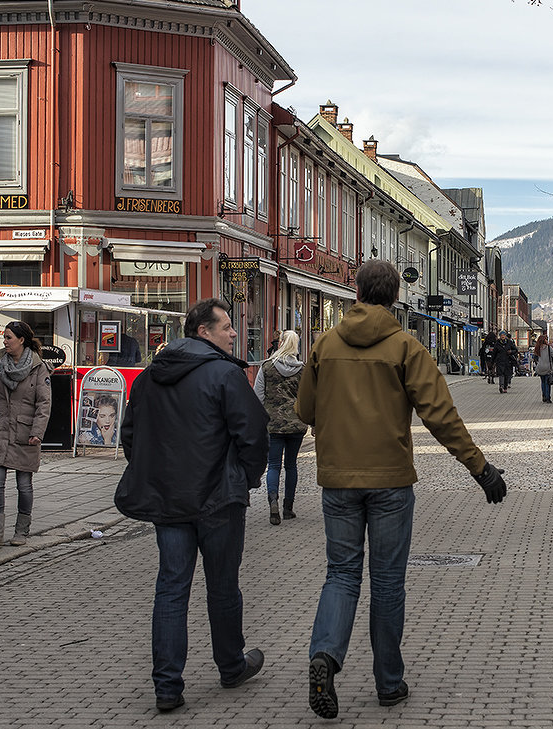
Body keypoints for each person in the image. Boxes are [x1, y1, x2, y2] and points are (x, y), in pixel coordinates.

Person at [295, 260, 506, 720]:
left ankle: (325, 657)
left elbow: (305, 408)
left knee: (341, 575)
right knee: (387, 582)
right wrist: (481, 469)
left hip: (337, 480)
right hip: (390, 480)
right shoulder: (405, 346)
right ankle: (389, 684)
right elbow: (440, 415)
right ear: (394, 297)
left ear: (355, 291)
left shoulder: (325, 344)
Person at [115, 298, 269, 713]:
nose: (234, 333)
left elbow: (131, 436)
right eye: (226, 327)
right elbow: (253, 435)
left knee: (170, 589)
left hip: (169, 501)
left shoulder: (149, 378)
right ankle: (231, 666)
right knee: (222, 587)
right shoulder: (225, 374)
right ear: (204, 332)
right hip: (218, 499)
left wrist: (159, 475)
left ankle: (167, 687)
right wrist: (247, 479)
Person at [0, 320, 51, 548]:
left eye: (9, 337)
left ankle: (21, 531)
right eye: (4, 336)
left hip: (25, 432)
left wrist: (37, 431)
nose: (4, 341)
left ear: (21, 340)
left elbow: (44, 403)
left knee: (24, 484)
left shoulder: (38, 368)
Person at [253, 329, 307, 525]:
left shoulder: (267, 367)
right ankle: (288, 507)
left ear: (280, 342)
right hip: (296, 424)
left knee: (274, 465)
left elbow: (258, 395)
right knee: (291, 465)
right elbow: (308, 398)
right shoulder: (303, 369)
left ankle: (273, 502)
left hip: (273, 424)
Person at [532, 334, 553, 403]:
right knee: (548, 383)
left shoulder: (537, 348)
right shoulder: (548, 348)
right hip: (548, 367)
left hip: (540, 367)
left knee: (543, 382)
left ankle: (543, 395)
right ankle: (548, 398)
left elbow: (535, 358)